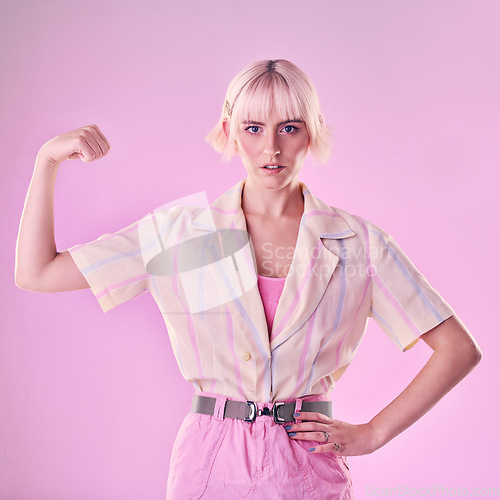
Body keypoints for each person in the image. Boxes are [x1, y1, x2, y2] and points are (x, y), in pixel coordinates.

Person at [15, 59, 482, 499]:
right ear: (229, 132)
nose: (271, 148)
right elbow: (37, 272)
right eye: (254, 128)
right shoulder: (180, 233)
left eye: (290, 128)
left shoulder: (357, 242)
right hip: (210, 461)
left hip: (309, 465)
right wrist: (46, 162)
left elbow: (459, 349)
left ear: (311, 133)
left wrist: (373, 434)